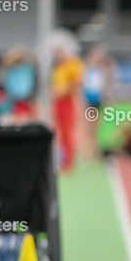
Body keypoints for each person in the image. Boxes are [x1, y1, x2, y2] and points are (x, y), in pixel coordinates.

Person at [51, 29, 84, 172]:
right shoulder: (59, 67)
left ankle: (69, 162)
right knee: (59, 133)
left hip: (68, 102)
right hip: (58, 102)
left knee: (67, 132)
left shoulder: (73, 64)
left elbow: (77, 84)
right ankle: (63, 160)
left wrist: (62, 90)